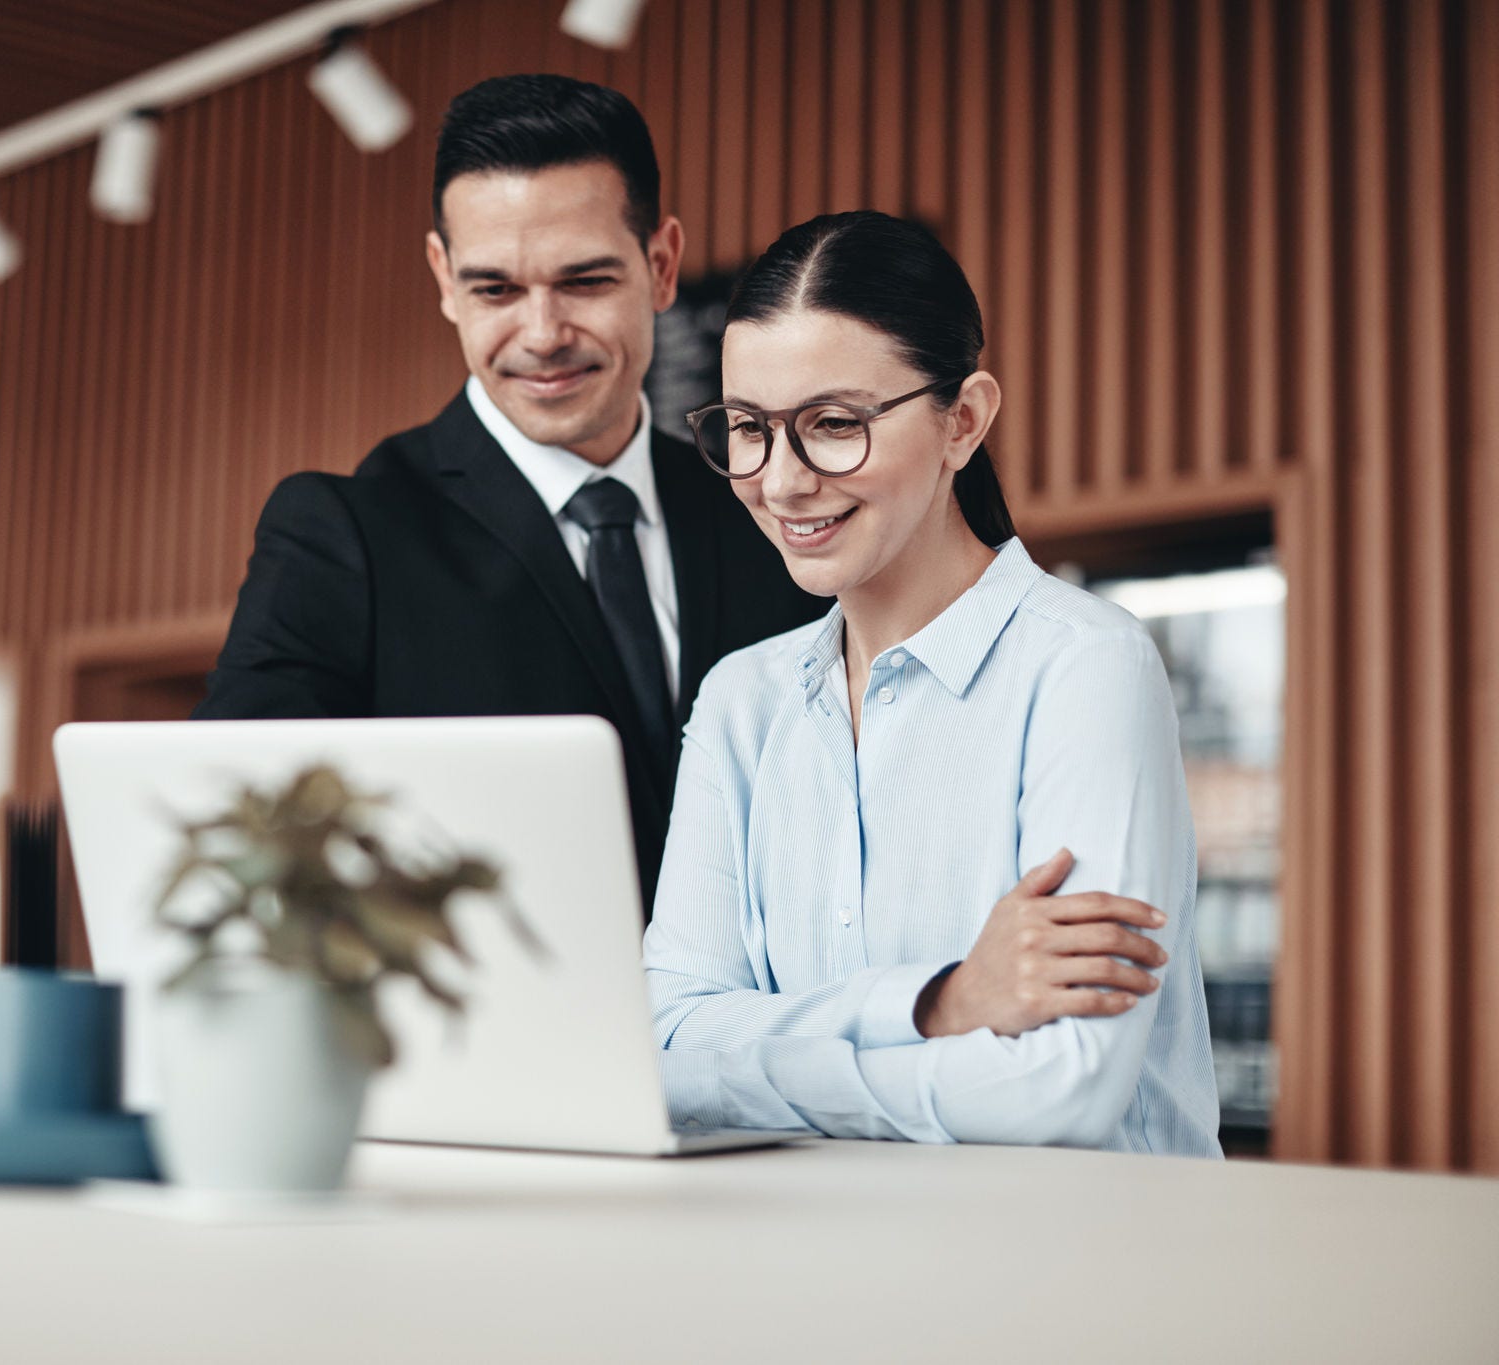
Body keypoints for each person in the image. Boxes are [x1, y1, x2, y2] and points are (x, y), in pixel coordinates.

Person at [643, 210, 1220, 1155]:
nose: (781, 481)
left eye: (833, 424)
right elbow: (660, 1055)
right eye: (749, 428)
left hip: (1088, 1283)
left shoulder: (1084, 668)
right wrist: (940, 1004)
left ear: (964, 419)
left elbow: (1058, 1091)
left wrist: (753, 1057)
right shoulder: (742, 703)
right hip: (826, 1284)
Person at [195, 74, 817, 909]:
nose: (543, 334)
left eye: (586, 281)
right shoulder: (343, 536)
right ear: (444, 279)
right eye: (495, 289)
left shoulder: (767, 515)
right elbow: (239, 848)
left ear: (661, 266)